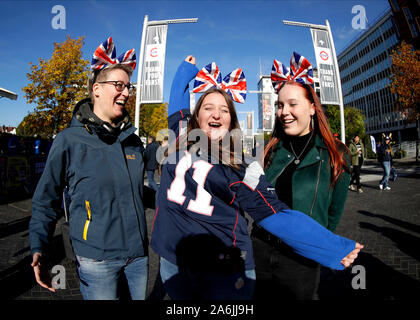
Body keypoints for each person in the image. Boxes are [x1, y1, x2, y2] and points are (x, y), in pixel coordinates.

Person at [150, 55, 362, 300]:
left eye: (224, 110)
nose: (216, 115)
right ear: (196, 116)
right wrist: (185, 70)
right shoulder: (180, 136)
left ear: (231, 121)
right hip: (173, 260)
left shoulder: (242, 165)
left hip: (222, 269)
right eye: (208, 108)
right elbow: (177, 102)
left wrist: (332, 246)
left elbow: (275, 214)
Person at [29, 37, 149, 300]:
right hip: (97, 261)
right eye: (119, 85)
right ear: (96, 89)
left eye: (128, 87)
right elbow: (46, 199)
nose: (126, 93)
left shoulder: (133, 141)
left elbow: (137, 191)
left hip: (139, 257)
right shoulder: (68, 140)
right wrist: (38, 245)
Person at [253, 52, 353, 300]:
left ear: (311, 107)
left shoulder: (336, 154)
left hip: (301, 260)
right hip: (259, 251)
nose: (284, 112)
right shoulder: (270, 150)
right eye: (280, 105)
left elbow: (332, 215)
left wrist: (314, 244)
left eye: (292, 104)